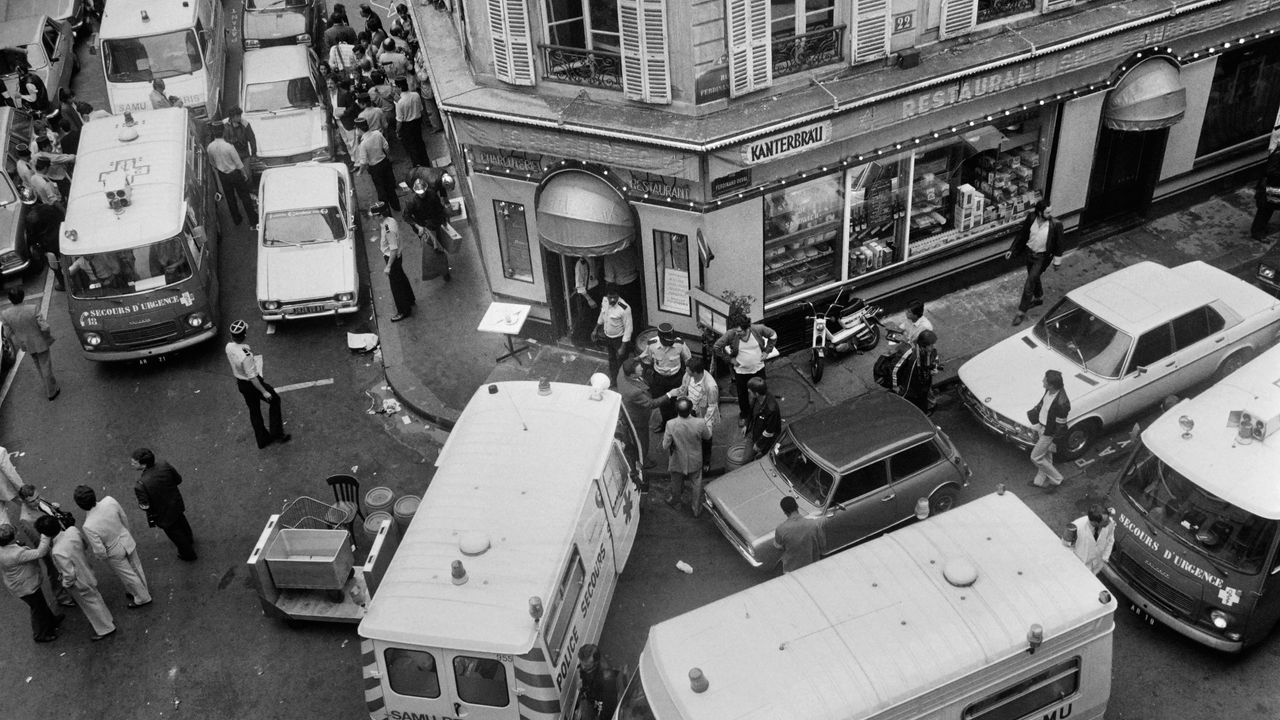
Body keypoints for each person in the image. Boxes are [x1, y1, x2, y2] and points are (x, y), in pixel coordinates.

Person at [35, 516, 115, 641]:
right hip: (86, 569)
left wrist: (65, 584)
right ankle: (107, 619)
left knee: (89, 604)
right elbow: (84, 544)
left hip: (79, 582)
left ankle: (104, 627)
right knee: (95, 598)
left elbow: (69, 574)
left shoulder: (57, 551)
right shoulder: (72, 530)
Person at [74, 486, 151, 608]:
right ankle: (143, 590)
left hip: (113, 550)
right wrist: (126, 533)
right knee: (136, 567)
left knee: (128, 575)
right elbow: (123, 517)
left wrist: (103, 558)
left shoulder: (88, 525)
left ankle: (142, 597)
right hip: (124, 537)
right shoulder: (109, 500)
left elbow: (99, 549)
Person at [226, 320, 291, 449]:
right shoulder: (246, 355)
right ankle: (277, 433)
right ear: (244, 335)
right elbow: (253, 378)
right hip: (252, 384)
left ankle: (262, 440)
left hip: (241, 384)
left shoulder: (229, 347)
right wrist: (264, 392)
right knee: (274, 400)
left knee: (254, 411)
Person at [131, 448, 196, 562]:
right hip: (176, 503)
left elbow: (145, 506)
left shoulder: (141, 485)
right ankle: (189, 539)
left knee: (175, 534)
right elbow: (178, 480)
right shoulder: (164, 465)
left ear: (143, 465)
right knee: (181, 521)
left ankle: (188, 554)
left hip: (163, 514)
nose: (132, 464)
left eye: (134, 462)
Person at [1005, 200, 1063, 326]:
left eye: (1050, 212)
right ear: (1039, 212)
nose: (1050, 214)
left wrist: (1057, 262)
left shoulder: (1055, 224)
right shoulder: (1031, 218)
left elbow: (1059, 244)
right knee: (1034, 277)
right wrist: (1012, 250)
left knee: (1029, 283)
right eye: (1047, 212)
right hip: (1029, 253)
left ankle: (1021, 312)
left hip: (1042, 258)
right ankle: (1039, 297)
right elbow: (1022, 235)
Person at [15, 485, 75, 607]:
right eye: (32, 501)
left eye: (38, 497)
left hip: (59, 534)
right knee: (55, 571)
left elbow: (44, 506)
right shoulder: (25, 519)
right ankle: (61, 596)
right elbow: (37, 540)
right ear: (24, 501)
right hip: (51, 546)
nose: (37, 501)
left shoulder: (37, 499)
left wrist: (53, 508)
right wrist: (50, 552)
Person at [0, 524, 60, 642]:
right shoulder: (16, 554)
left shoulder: (4, 550)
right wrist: (45, 535)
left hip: (17, 584)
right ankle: (40, 634)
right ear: (13, 536)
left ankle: (51, 620)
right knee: (37, 608)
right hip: (26, 585)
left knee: (40, 604)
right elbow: (40, 552)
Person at [713, 315, 777, 425]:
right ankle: (744, 415)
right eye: (736, 331)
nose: (737, 333)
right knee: (742, 394)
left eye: (740, 331)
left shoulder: (758, 329)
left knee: (761, 392)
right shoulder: (731, 334)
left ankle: (763, 412)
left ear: (747, 328)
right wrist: (729, 359)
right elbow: (717, 347)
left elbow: (773, 335)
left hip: (758, 369)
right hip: (741, 372)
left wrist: (767, 351)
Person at [0, 287, 59, 400]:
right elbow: (45, 327)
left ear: (10, 299)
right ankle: (51, 391)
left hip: (26, 344)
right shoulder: (33, 308)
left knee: (38, 365)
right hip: (40, 342)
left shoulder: (5, 314)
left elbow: (7, 334)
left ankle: (48, 385)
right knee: (46, 366)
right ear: (23, 296)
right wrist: (47, 336)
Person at [662, 398, 712, 517]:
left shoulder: (670, 424)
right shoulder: (700, 422)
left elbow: (665, 445)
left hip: (677, 460)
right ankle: (696, 508)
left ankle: (676, 502)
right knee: (696, 484)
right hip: (695, 459)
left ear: (676, 410)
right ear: (691, 410)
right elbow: (708, 436)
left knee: (676, 483)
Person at [207, 124, 258, 227]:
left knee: (230, 198)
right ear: (223, 132)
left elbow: (212, 162)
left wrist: (219, 168)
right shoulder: (229, 147)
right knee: (244, 197)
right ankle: (253, 219)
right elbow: (238, 162)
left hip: (223, 175)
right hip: (235, 173)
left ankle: (237, 219)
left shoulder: (210, 147)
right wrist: (244, 173)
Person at [1027, 369, 1070, 492]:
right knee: (1046, 456)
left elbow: (1061, 425)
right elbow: (1043, 405)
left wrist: (1054, 440)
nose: (1042, 381)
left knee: (1035, 457)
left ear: (1051, 385)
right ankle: (1039, 481)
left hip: (1049, 432)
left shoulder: (1062, 403)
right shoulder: (1049, 391)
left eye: (1044, 380)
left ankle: (1057, 479)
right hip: (1042, 427)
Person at [618, 357, 664, 472]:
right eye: (639, 370)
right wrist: (669, 395)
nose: (642, 369)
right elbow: (651, 403)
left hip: (629, 408)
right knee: (642, 440)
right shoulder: (634, 392)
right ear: (633, 375)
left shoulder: (623, 370)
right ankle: (643, 460)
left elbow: (631, 361)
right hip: (638, 418)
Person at [673, 356, 718, 473]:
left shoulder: (710, 386)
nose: (685, 372)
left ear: (696, 372)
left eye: (688, 370)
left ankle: (706, 460)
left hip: (703, 415)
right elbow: (683, 389)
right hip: (691, 410)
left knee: (706, 438)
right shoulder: (688, 376)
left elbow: (712, 407)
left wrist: (704, 423)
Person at [402, 178, 451, 282]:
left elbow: (439, 208)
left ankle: (444, 271)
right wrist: (418, 226)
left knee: (440, 248)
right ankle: (440, 270)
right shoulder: (411, 202)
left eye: (423, 192)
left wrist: (444, 220)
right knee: (431, 250)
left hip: (435, 224)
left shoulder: (432, 195)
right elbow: (406, 217)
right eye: (419, 193)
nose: (422, 195)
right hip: (424, 228)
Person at [374, 201, 416, 321]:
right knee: (401, 278)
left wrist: (388, 266)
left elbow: (393, 249)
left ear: (380, 216)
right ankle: (410, 298)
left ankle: (403, 310)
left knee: (396, 286)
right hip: (398, 256)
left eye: (375, 216)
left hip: (392, 258)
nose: (373, 218)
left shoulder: (388, 229)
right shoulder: (390, 220)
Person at [354, 116, 400, 211]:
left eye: (356, 129)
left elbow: (363, 161)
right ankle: (396, 206)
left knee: (381, 190)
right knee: (390, 187)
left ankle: (386, 211)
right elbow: (386, 147)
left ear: (359, 129)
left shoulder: (363, 144)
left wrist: (360, 172)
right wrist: (387, 156)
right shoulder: (377, 134)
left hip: (375, 168)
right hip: (385, 163)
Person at [889, 329, 939, 415]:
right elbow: (895, 369)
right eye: (931, 345)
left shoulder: (932, 351)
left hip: (924, 383)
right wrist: (895, 386)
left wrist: (935, 369)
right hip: (910, 385)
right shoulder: (910, 353)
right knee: (911, 403)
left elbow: (935, 360)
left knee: (922, 401)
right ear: (924, 346)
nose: (934, 346)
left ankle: (924, 413)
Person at [22, 196, 65, 290]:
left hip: (48, 244)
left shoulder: (31, 218)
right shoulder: (47, 208)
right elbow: (60, 216)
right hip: (60, 235)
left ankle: (63, 284)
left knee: (54, 264)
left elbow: (32, 236)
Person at [772, 496, 824, 573]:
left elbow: (778, 546)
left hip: (792, 570)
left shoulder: (781, 529)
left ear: (784, 512)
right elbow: (822, 542)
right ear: (797, 506)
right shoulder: (813, 524)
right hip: (813, 566)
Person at [594, 286, 633, 386]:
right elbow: (602, 315)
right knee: (612, 360)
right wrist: (595, 329)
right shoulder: (605, 301)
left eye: (615, 297)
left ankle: (623, 383)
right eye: (610, 297)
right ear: (606, 296)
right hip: (608, 337)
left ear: (618, 296)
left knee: (621, 361)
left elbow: (629, 329)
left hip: (619, 339)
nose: (612, 300)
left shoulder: (624, 308)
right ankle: (614, 380)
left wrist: (623, 347)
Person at [641, 323, 691, 398]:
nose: (672, 342)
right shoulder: (652, 344)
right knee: (661, 400)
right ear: (660, 338)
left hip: (676, 378)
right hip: (659, 379)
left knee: (677, 400)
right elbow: (647, 361)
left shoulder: (679, 343)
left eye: (673, 339)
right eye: (669, 340)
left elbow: (688, 360)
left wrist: (686, 379)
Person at [577, 644, 621, 720]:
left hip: (603, 701)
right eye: (582, 663)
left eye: (586, 665)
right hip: (593, 695)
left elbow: (607, 706)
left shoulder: (607, 680)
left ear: (595, 663)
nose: (583, 667)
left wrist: (600, 717)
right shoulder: (589, 667)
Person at [1069, 505, 1115, 575]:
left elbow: (1110, 540)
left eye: (1108, 519)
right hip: (1078, 567)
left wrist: (1105, 558)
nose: (1109, 522)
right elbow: (1067, 547)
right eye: (1105, 521)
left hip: (1096, 567)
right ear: (1095, 523)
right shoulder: (1077, 527)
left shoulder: (1109, 524)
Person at [393, 78, 429, 167]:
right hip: (417, 123)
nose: (394, 89)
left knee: (412, 147)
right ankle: (426, 163)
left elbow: (399, 121)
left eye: (395, 87)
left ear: (399, 88)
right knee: (420, 142)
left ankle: (417, 166)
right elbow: (421, 109)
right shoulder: (416, 95)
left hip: (407, 126)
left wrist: (397, 131)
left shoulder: (399, 103)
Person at [745, 376, 780, 459]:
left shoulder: (771, 409)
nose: (748, 391)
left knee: (747, 460)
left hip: (763, 440)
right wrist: (746, 425)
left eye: (750, 390)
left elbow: (769, 431)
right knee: (746, 459)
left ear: (756, 394)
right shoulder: (756, 398)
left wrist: (759, 444)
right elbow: (751, 413)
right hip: (754, 432)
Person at [1251, 148, 1280, 243]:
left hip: (1275, 186)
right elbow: (1270, 171)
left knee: (1268, 208)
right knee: (1266, 209)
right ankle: (1257, 232)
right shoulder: (1277, 154)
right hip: (1272, 186)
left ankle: (1259, 229)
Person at [0, 446, 25, 525]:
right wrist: (21, 488)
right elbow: (10, 473)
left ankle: (7, 535)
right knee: (29, 504)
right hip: (6, 488)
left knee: (2, 523)